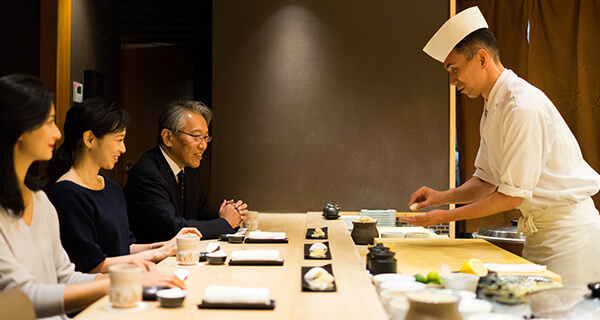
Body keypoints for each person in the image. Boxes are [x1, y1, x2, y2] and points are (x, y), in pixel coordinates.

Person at [402, 7, 600, 286]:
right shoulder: (494, 105)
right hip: (539, 235)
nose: (452, 81)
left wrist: (445, 217)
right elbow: (487, 181)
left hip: (571, 237)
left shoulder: (521, 106)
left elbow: (511, 197)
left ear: (482, 58)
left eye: (454, 69)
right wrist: (440, 197)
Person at [0, 75, 185, 320]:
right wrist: (122, 280)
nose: (57, 134)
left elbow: (65, 275)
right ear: (18, 128)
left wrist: (132, 274)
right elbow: (21, 297)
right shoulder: (62, 194)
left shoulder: (41, 202)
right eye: (49, 122)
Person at [46, 99, 202, 273]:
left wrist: (168, 245)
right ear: (89, 139)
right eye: (119, 140)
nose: (123, 148)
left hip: (122, 282)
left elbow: (125, 247)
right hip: (95, 291)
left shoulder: (112, 188)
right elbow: (91, 265)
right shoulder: (67, 194)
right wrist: (159, 253)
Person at [124, 100, 248, 242]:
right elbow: (173, 228)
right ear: (168, 137)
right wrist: (224, 224)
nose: (203, 145)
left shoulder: (189, 168)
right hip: (150, 258)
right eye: (196, 137)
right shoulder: (148, 173)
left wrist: (230, 215)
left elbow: (199, 215)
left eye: (205, 138)